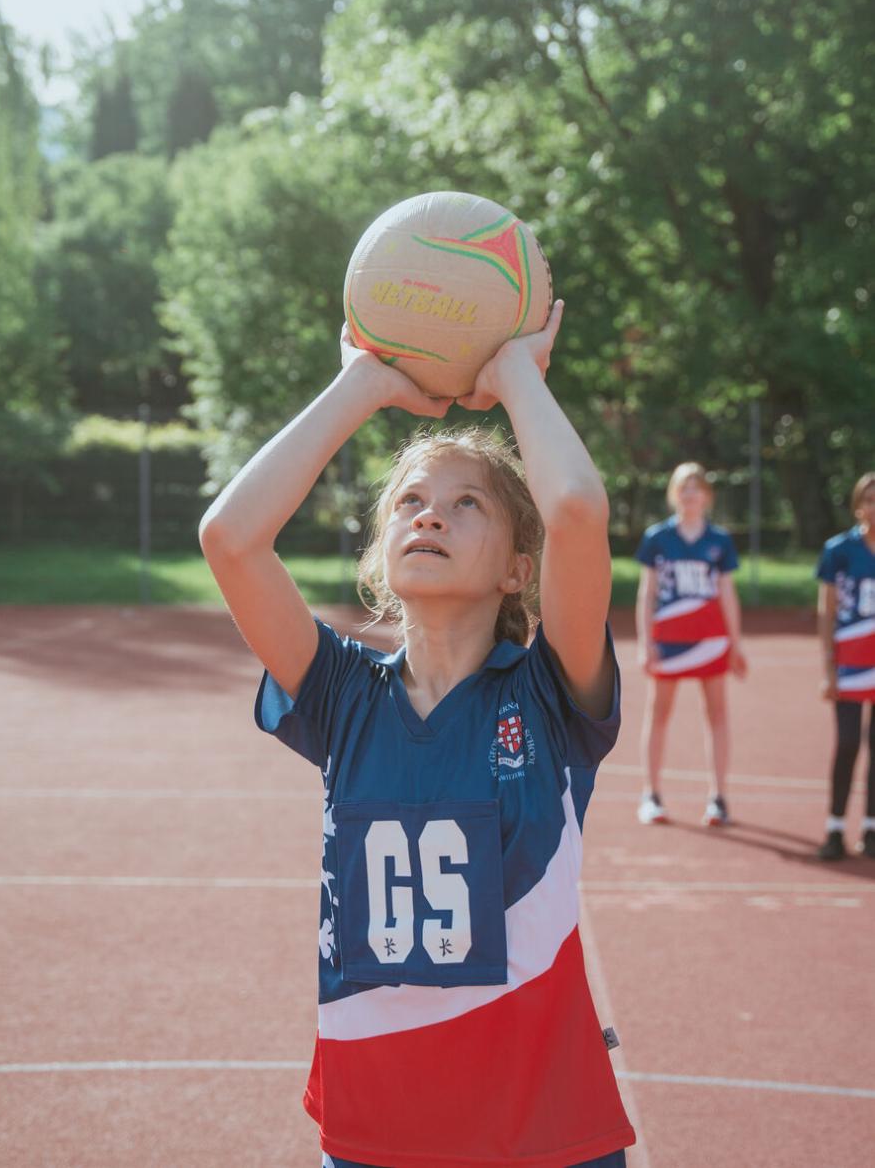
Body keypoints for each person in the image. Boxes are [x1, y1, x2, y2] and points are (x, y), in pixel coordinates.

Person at [199, 300, 635, 1168]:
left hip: (544, 1135)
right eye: (409, 501)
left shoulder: (549, 690)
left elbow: (579, 510)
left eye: (467, 503)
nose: (429, 516)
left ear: (521, 566)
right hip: (377, 1133)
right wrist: (361, 383)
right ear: (380, 548)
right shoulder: (343, 694)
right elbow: (230, 537)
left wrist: (514, 374)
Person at [634, 462, 747, 826]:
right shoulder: (657, 538)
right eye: (683, 487)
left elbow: (727, 593)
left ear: (707, 496)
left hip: (711, 640)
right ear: (673, 494)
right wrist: (644, 642)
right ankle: (651, 795)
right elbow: (646, 593)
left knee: (716, 713)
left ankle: (718, 797)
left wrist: (736, 643)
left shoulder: (719, 540)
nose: (690, 494)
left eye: (696, 487)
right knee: (659, 714)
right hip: (668, 640)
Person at [815, 471, 875, 861]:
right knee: (849, 742)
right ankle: (835, 826)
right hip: (851, 663)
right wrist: (828, 668)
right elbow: (827, 610)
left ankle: (870, 828)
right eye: (869, 499)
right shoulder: (839, 550)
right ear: (858, 505)